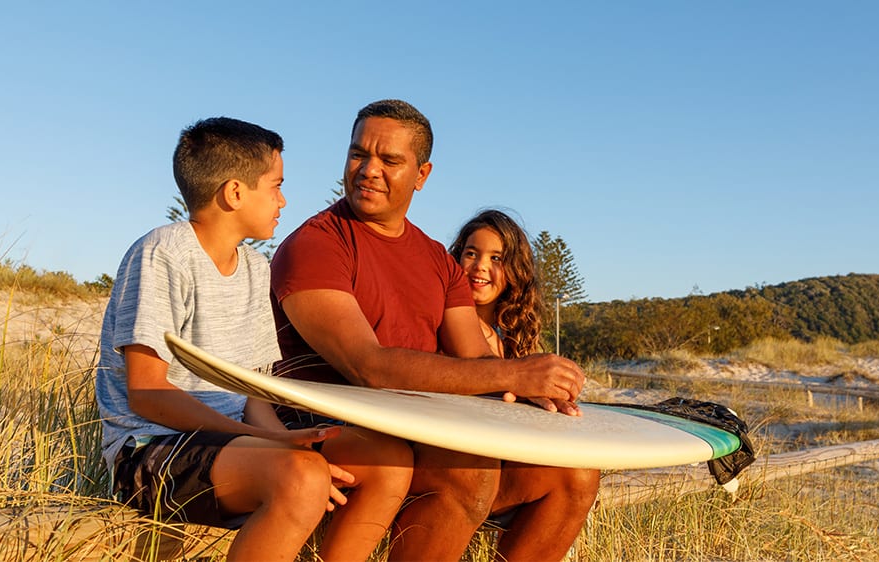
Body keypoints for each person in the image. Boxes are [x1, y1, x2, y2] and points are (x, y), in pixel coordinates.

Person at [270, 99, 592, 561]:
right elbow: (366, 366)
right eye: (359, 154)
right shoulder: (317, 244)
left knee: (574, 474)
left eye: (390, 160)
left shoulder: (437, 260)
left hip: (423, 427)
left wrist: (532, 391)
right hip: (332, 426)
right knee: (470, 470)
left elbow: (474, 361)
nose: (368, 170)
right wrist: (512, 375)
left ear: (422, 175)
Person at [95, 116, 411, 562]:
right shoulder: (163, 252)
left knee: (387, 461)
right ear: (235, 192)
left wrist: (283, 438)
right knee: (300, 477)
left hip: (236, 444)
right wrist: (271, 445)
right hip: (152, 450)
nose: (283, 200)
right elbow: (148, 394)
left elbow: (253, 395)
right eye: (276, 185)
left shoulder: (255, 269)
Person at [448, 208, 601, 559]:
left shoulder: (510, 337)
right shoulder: (442, 321)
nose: (480, 266)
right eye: (471, 253)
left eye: (497, 258)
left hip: (500, 466)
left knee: (581, 473)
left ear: (515, 271)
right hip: (453, 469)